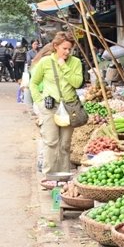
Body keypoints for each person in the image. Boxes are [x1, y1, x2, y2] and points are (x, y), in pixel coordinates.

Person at [29, 32, 83, 174]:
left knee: (65, 145)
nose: (67, 52)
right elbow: (33, 83)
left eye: (70, 49)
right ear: (55, 46)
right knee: (51, 142)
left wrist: (64, 66)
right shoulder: (45, 62)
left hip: (69, 107)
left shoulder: (75, 62)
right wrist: (40, 102)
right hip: (50, 108)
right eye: (64, 48)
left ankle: (63, 176)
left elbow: (77, 83)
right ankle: (50, 176)